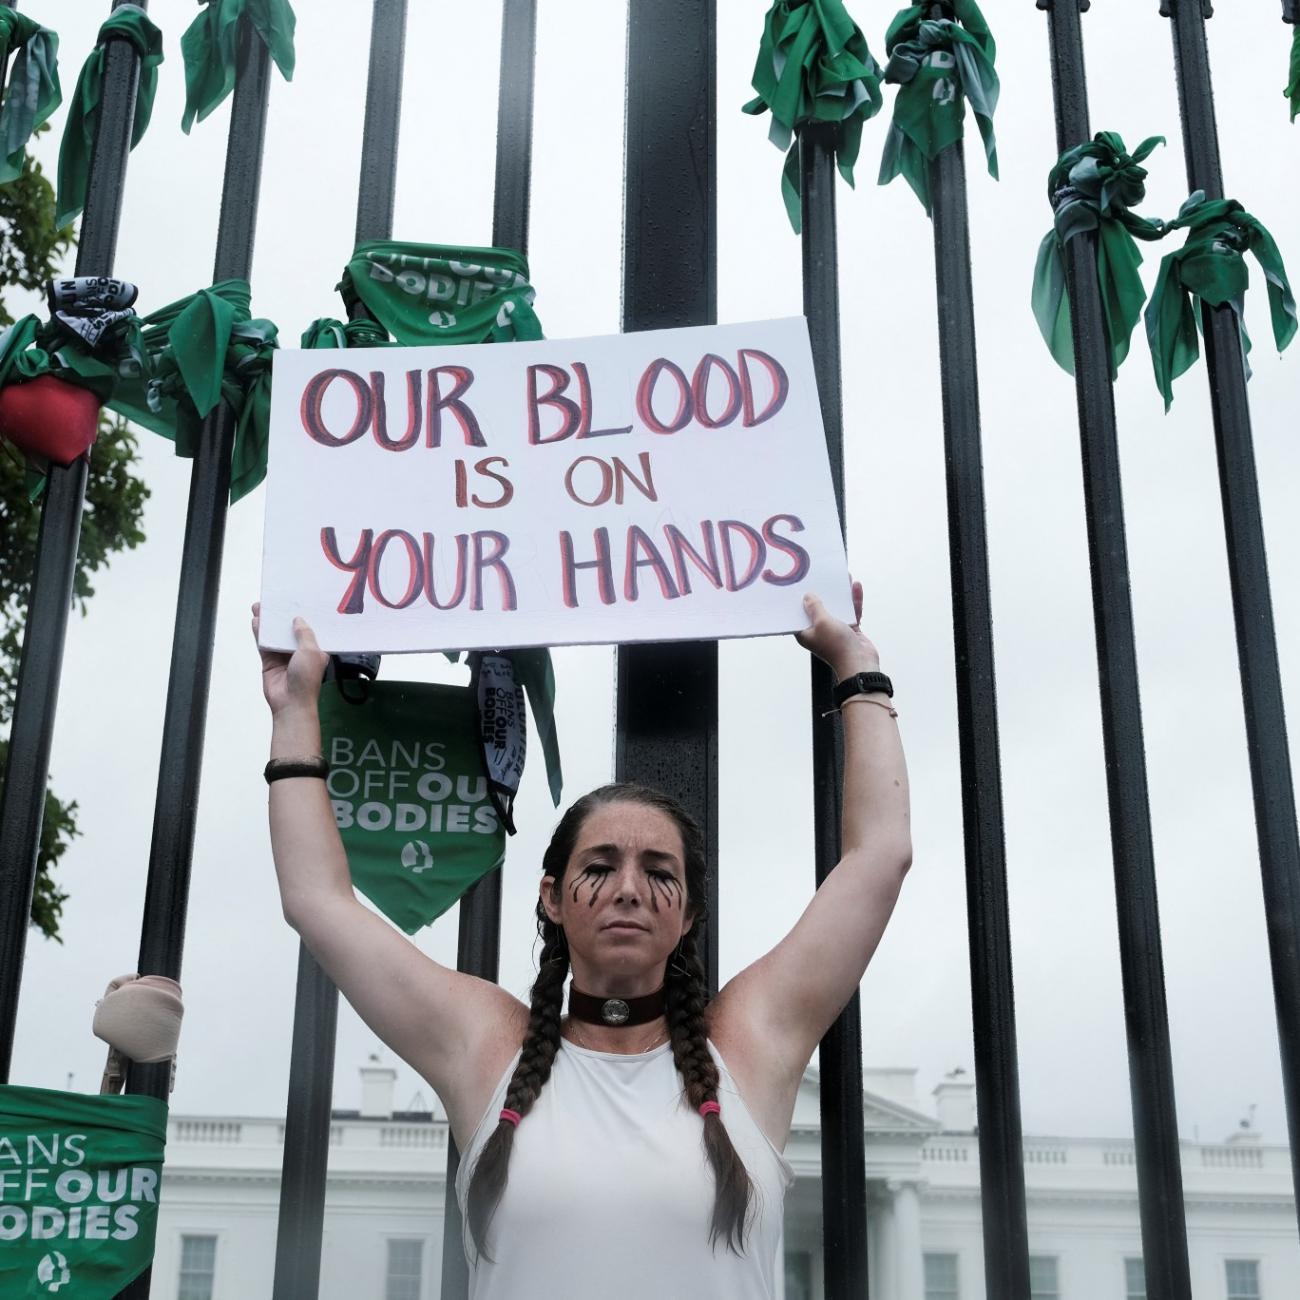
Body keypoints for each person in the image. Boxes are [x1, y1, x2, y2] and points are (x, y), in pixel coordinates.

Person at [253, 582, 910, 1299]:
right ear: (553, 897)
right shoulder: (485, 1047)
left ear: (687, 913)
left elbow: (880, 856)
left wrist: (858, 669)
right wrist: (294, 712)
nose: (628, 888)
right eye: (600, 866)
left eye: (657, 871)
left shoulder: (748, 1047)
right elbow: (317, 901)